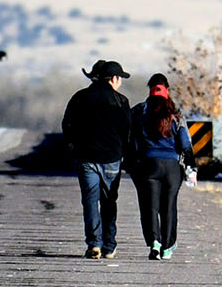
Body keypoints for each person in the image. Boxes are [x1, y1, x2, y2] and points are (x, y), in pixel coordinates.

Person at [59, 60, 136, 259]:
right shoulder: (121, 101)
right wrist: (127, 158)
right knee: (109, 202)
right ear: (115, 79)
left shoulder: (79, 98)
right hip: (111, 159)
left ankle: (94, 244)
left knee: (90, 201)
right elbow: (127, 134)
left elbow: (67, 125)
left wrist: (73, 148)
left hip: (86, 159)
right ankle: (109, 246)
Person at [127, 72, 194, 260]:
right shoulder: (176, 114)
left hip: (148, 165)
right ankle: (168, 247)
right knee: (169, 206)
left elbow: (130, 140)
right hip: (172, 168)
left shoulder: (139, 111)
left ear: (149, 89)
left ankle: (154, 242)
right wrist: (191, 167)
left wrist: (131, 163)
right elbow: (185, 143)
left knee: (150, 206)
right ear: (168, 90)